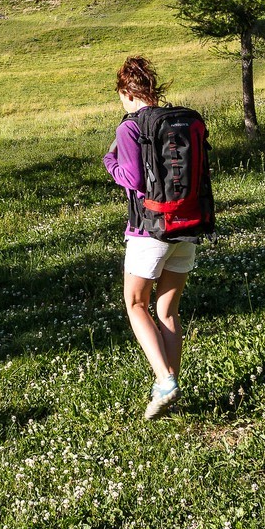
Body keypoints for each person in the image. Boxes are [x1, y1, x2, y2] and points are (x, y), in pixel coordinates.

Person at [104, 54, 197, 419]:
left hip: (149, 229)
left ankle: (164, 380)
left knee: (135, 304)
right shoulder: (177, 120)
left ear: (127, 93)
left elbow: (133, 179)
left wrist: (110, 163)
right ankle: (169, 389)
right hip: (186, 226)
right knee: (167, 310)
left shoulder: (131, 127)